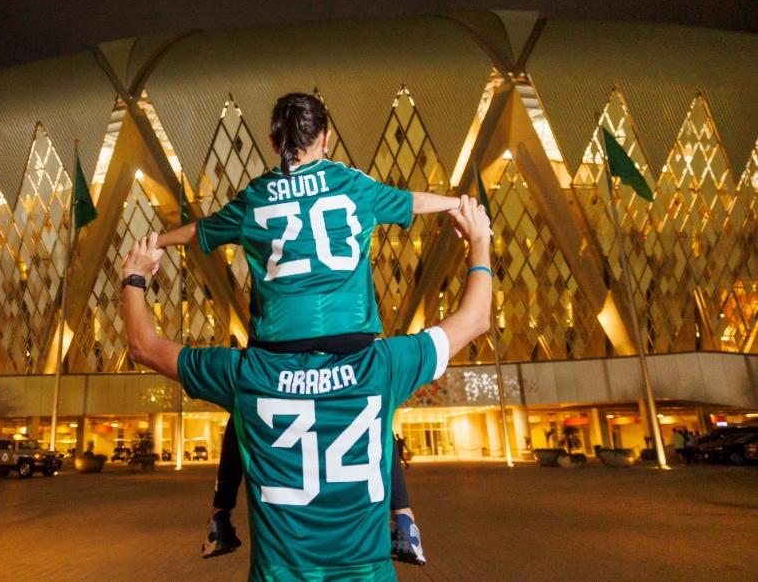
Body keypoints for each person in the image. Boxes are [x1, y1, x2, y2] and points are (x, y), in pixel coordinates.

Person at [156, 92, 462, 564]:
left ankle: (220, 518)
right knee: (376, 410)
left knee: (242, 411)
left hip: (279, 338)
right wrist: (457, 204)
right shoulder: (350, 183)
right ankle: (404, 519)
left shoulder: (257, 194)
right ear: (326, 137)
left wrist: (156, 241)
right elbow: (411, 202)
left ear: (272, 140)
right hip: (349, 333)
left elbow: (202, 231)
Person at [123, 196, 492, 579]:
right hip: (366, 571)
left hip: (281, 572)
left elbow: (143, 347)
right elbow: (476, 318)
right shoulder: (380, 366)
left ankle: (220, 514)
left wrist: (134, 278)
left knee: (239, 424)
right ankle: (405, 517)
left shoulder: (248, 374)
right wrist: (479, 241)